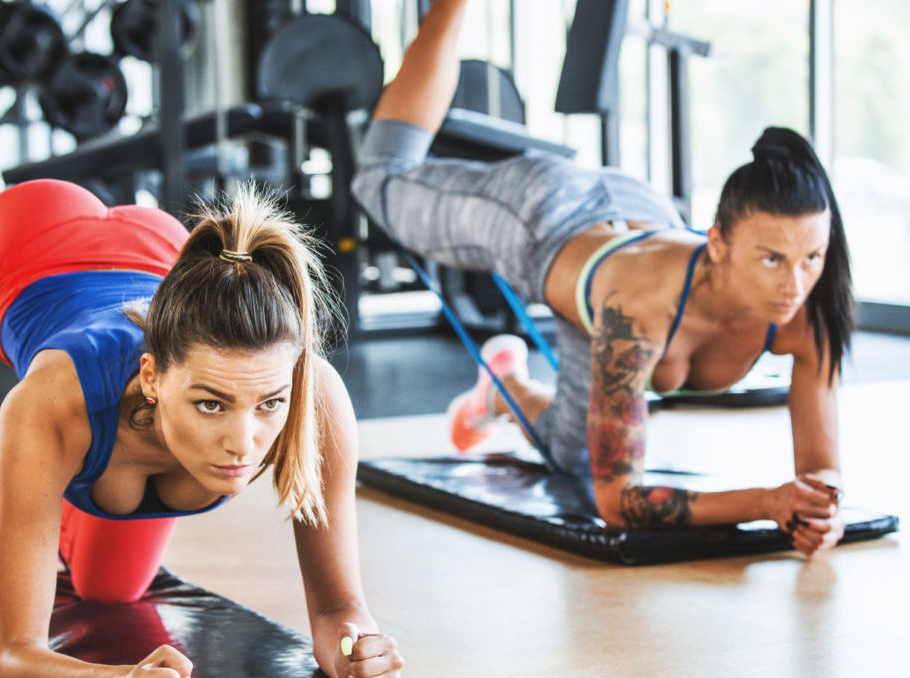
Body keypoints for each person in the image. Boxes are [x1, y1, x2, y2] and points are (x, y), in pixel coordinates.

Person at [0, 1, 402, 678]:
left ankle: (73, 505)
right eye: (210, 404)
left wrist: (361, 647)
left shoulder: (311, 394)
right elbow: (12, 660)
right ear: (152, 378)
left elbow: (340, 609)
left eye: (268, 405)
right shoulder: (52, 404)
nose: (244, 441)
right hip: (24, 250)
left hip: (161, 254)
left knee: (109, 592)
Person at [352, 0, 852, 556]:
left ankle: (504, 384)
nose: (795, 283)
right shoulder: (639, 313)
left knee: (574, 455)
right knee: (380, 180)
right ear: (719, 244)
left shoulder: (809, 312)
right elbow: (616, 501)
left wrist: (821, 511)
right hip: (545, 217)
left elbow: (821, 471)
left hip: (635, 221)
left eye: (812, 256)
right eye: (771, 259)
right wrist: (763, 502)